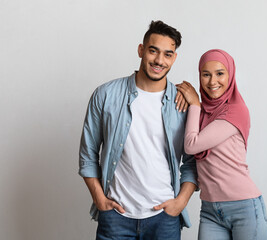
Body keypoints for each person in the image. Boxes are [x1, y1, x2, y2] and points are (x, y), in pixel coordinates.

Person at [78, 20, 197, 240]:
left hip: (164, 218)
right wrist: (99, 199)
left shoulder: (182, 103)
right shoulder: (105, 95)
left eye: (168, 54)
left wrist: (181, 202)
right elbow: (87, 155)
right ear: (141, 50)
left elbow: (192, 162)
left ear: (174, 58)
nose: (159, 60)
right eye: (153, 51)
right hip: (116, 217)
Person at [176, 49, 267, 240]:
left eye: (220, 73)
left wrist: (194, 104)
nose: (212, 82)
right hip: (210, 209)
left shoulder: (235, 111)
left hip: (244, 208)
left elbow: (192, 145)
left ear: (231, 74)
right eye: (206, 74)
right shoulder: (204, 113)